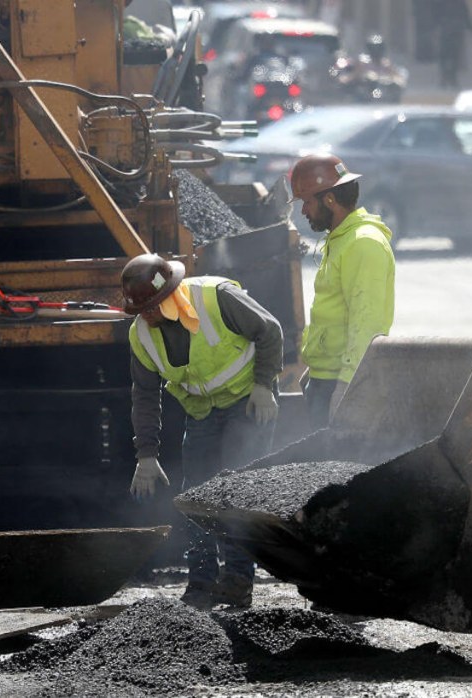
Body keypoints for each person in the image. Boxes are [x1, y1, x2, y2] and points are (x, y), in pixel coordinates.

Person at [122, 253, 283, 611]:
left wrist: (264, 385)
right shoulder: (141, 336)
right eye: (140, 310)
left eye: (151, 306)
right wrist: (146, 455)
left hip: (247, 404)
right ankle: (200, 583)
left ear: (170, 295)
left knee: (238, 489)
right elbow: (145, 395)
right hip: (203, 414)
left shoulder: (216, 297)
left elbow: (269, 330)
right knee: (195, 495)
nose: (146, 316)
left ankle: (238, 582)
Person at [289, 154, 395, 427]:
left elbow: (366, 323)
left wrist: (348, 387)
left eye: (306, 202)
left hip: (342, 381)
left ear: (329, 200)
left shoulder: (363, 244)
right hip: (326, 377)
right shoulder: (342, 239)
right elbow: (331, 310)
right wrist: (314, 368)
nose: (303, 212)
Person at [436, 0, 472, 89]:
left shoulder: (443, 3)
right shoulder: (458, 2)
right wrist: (470, 27)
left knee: (447, 55)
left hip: (449, 30)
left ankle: (447, 78)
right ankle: (450, 78)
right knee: (451, 55)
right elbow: (465, 14)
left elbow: (465, 14)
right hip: (454, 30)